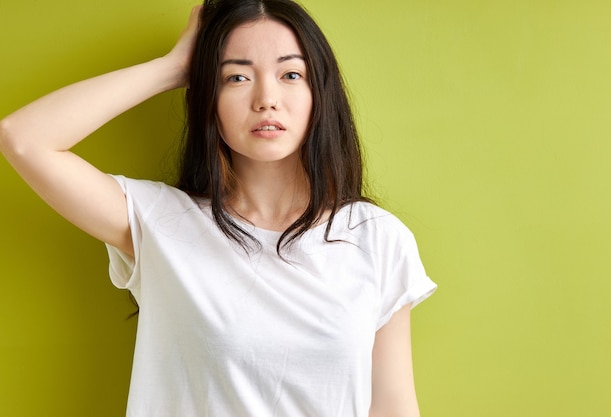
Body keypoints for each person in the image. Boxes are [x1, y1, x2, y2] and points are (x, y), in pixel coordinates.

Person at [0, 0, 437, 415]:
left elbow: (392, 408)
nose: (266, 98)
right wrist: (172, 68)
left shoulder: (377, 236)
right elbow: (23, 138)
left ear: (318, 93)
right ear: (209, 98)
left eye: (290, 75)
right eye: (236, 77)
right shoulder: (162, 222)